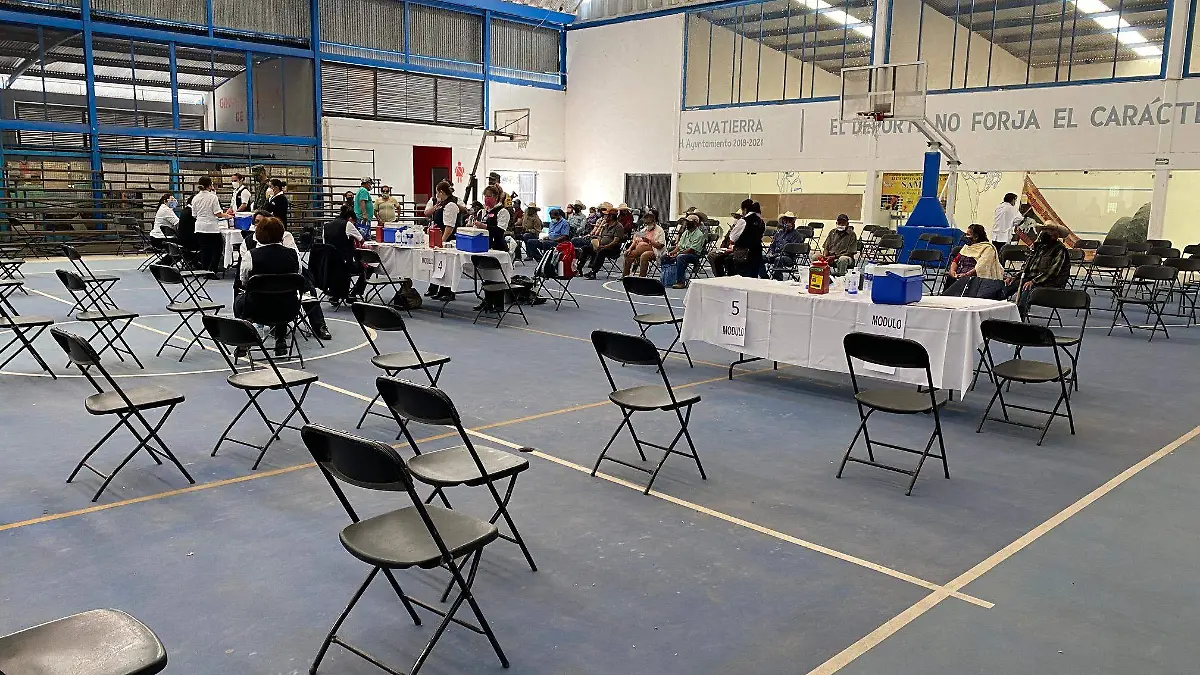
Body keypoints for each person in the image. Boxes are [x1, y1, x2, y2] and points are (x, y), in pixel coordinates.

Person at [235, 217, 330, 356]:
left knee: (239, 301)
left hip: (257, 309)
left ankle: (244, 339)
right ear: (281, 234)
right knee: (281, 296)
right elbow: (298, 276)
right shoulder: (293, 255)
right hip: (289, 309)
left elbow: (244, 281)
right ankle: (280, 340)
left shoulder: (251, 256)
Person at [1007, 222, 1071, 318]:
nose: (1044, 233)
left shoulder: (1060, 249)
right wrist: (1015, 277)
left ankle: (1019, 316)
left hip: (1051, 283)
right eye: (1044, 230)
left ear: (1055, 235)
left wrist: (1033, 281)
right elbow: (1026, 267)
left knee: (1027, 287)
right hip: (1032, 279)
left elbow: (1052, 272)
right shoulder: (1038, 247)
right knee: (1008, 285)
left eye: (1048, 231)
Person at [424, 181, 462, 302]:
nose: (436, 195)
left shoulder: (451, 205)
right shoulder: (440, 204)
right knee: (440, 266)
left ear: (441, 192)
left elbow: (449, 227)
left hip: (448, 240)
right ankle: (439, 288)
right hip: (439, 238)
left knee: (448, 267)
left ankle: (448, 291)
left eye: (437, 192)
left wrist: (441, 241)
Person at [709, 199, 765, 277]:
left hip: (743, 254)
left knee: (717, 259)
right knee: (752, 277)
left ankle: (722, 278)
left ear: (745, 209)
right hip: (756, 253)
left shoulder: (743, 221)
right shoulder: (761, 221)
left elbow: (732, 237)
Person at [323, 205, 367, 301]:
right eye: (354, 222)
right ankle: (355, 292)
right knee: (367, 268)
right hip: (345, 264)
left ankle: (336, 294)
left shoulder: (326, 226)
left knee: (338, 269)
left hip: (329, 264)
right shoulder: (348, 224)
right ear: (350, 218)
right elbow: (361, 239)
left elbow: (325, 244)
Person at [191, 176, 231, 273]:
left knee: (204, 250)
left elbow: (194, 214)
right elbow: (218, 213)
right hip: (211, 228)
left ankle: (205, 270)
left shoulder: (195, 198)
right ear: (210, 185)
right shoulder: (213, 197)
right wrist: (227, 216)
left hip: (199, 227)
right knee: (217, 249)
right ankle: (212, 269)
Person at [661, 213, 708, 289]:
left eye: (689, 222)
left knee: (680, 257)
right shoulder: (686, 232)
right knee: (664, 257)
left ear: (695, 223)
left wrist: (678, 254)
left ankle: (680, 282)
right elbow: (679, 246)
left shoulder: (699, 234)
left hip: (694, 255)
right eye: (687, 222)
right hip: (683, 252)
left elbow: (691, 250)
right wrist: (672, 253)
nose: (687, 224)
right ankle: (666, 278)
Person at [580, 206, 625, 280]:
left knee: (602, 251)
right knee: (586, 248)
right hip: (601, 246)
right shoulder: (605, 225)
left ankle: (593, 272)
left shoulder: (618, 226)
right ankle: (579, 269)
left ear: (611, 217)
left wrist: (605, 246)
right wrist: (598, 243)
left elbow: (615, 241)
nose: (604, 217)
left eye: (606, 216)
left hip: (613, 249)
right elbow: (600, 236)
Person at [622, 209, 665, 277]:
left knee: (644, 255)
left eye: (648, 223)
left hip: (654, 250)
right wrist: (630, 248)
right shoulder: (644, 230)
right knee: (628, 254)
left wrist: (649, 241)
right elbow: (636, 238)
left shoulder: (659, 230)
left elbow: (660, 245)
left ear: (653, 222)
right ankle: (625, 276)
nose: (647, 225)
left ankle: (642, 277)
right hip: (640, 250)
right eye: (646, 223)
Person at [765, 212, 806, 280]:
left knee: (778, 259)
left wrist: (779, 254)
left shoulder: (796, 235)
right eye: (786, 221)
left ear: (793, 222)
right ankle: (764, 277)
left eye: (790, 221)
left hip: (788, 257)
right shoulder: (779, 233)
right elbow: (773, 245)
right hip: (774, 255)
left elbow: (793, 250)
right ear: (783, 222)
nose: (788, 223)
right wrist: (770, 252)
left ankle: (777, 280)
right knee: (759, 257)